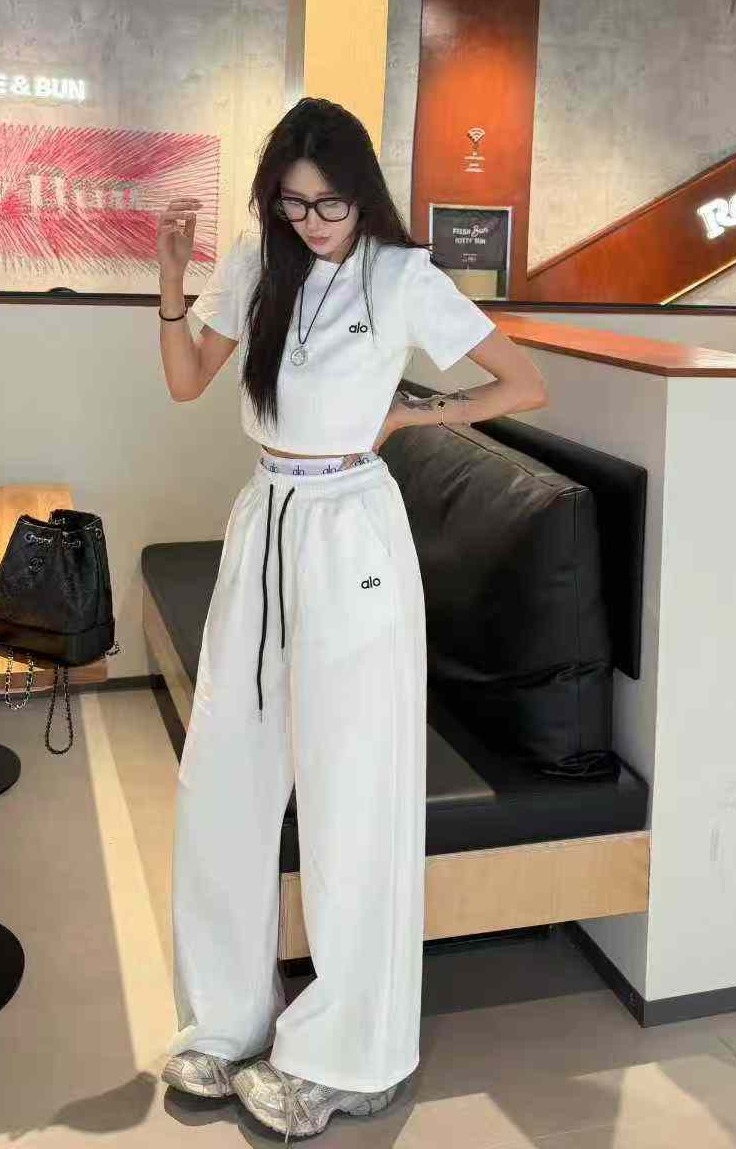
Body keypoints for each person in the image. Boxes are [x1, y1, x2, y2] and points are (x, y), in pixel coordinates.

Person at [155, 98, 547, 1139]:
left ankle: (349, 1054)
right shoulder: (259, 262)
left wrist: (417, 413)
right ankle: (226, 1020)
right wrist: (172, 283)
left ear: (362, 193)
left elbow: (523, 383)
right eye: (292, 205)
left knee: (351, 794)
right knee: (224, 776)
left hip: (353, 534)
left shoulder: (401, 275)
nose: (311, 223)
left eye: (328, 204)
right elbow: (188, 382)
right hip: (265, 520)